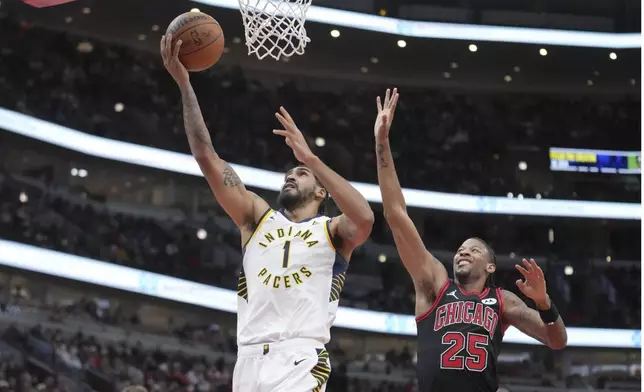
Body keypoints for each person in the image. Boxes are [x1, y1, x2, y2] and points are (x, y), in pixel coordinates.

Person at [160, 34, 374, 392]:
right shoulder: (257, 218)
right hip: (247, 359)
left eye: (301, 174)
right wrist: (184, 83)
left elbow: (365, 218)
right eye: (289, 172)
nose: (291, 174)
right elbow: (206, 156)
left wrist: (312, 160)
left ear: (321, 191)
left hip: (299, 356)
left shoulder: (333, 230)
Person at [373, 88, 567, 392]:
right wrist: (382, 143)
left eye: (473, 251)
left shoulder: (503, 301)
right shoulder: (435, 284)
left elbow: (557, 341)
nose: (463, 253)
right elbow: (395, 213)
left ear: (490, 267)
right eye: (460, 250)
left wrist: (544, 303)